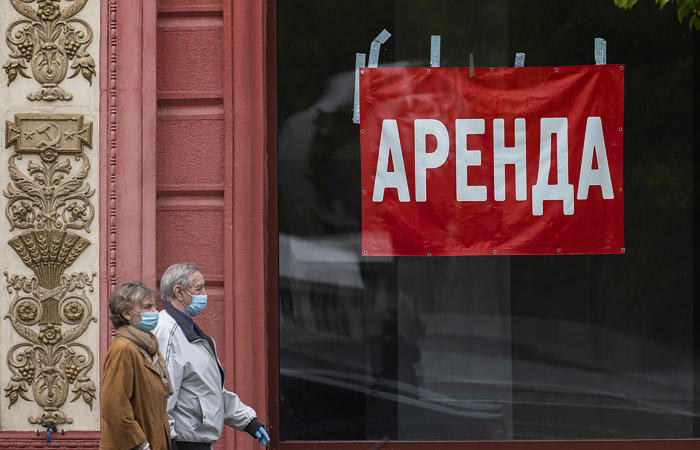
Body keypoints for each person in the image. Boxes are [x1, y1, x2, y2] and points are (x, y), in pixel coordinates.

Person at [153, 263, 270, 450]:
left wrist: (249, 421)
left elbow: (211, 392)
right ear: (179, 292)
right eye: (199, 288)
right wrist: (168, 443)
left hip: (196, 443)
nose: (204, 294)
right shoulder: (167, 332)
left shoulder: (191, 333)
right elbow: (161, 395)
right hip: (183, 444)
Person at [100, 281, 173, 450]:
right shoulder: (123, 349)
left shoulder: (150, 348)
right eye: (147, 307)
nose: (154, 312)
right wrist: (140, 445)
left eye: (154, 306)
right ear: (127, 314)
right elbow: (115, 406)